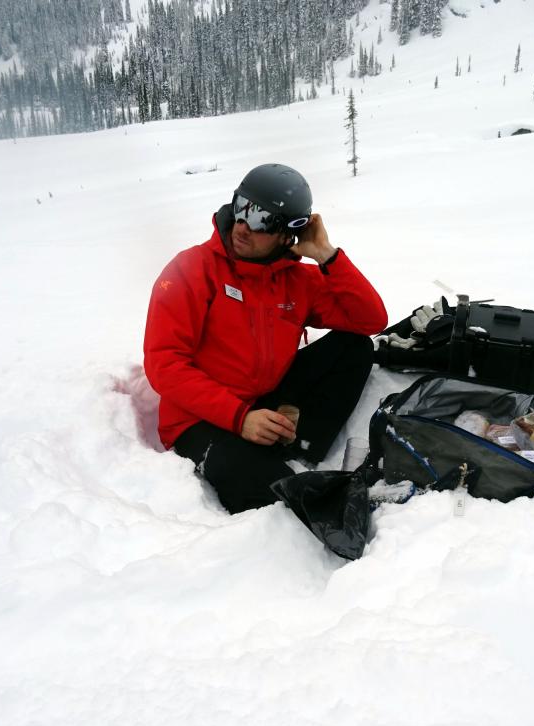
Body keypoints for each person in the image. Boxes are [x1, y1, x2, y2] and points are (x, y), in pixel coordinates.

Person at [144, 163, 387, 514]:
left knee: (354, 348)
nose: (243, 225)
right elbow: (164, 365)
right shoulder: (190, 270)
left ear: (289, 233)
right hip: (201, 418)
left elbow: (370, 320)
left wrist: (326, 256)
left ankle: (298, 451)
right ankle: (281, 476)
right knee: (271, 493)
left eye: (261, 219)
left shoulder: (295, 280)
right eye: (241, 208)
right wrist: (240, 418)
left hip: (263, 402)